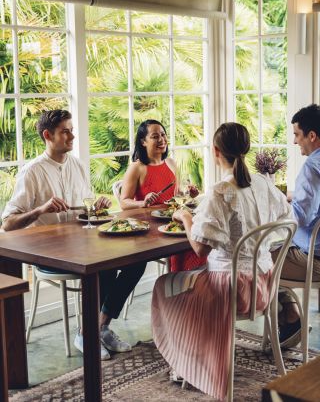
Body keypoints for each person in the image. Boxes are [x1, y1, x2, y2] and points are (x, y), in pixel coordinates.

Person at [151, 122, 293, 400]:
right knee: (186, 281)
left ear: (216, 151)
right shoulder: (263, 183)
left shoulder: (219, 192)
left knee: (164, 286)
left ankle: (189, 362)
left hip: (230, 290)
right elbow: (286, 215)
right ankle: (197, 356)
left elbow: (200, 249)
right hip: (263, 284)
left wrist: (185, 217)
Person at [1, 109, 146, 361]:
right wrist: (40, 209)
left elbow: (85, 210)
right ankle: (90, 332)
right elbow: (8, 224)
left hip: (82, 243)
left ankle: (96, 328)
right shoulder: (32, 172)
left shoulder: (76, 165)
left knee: (136, 262)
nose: (72, 136)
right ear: (48, 135)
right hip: (47, 250)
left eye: (71, 130)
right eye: (65, 131)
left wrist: (97, 206)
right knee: (106, 267)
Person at [120, 119, 206, 270]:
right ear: (143, 141)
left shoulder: (171, 163)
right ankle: (179, 285)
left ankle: (191, 285)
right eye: (154, 136)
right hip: (150, 228)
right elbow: (123, 202)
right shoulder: (137, 168)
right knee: (190, 241)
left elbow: (176, 196)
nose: (161, 140)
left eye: (163, 134)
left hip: (172, 222)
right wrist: (143, 202)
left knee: (197, 238)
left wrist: (190, 195)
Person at [272, 103, 320, 349]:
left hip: (314, 259)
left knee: (257, 257)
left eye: (297, 135)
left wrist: (276, 206)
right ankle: (290, 313)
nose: (294, 141)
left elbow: (298, 217)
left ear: (312, 136)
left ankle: (291, 316)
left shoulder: (311, 168)